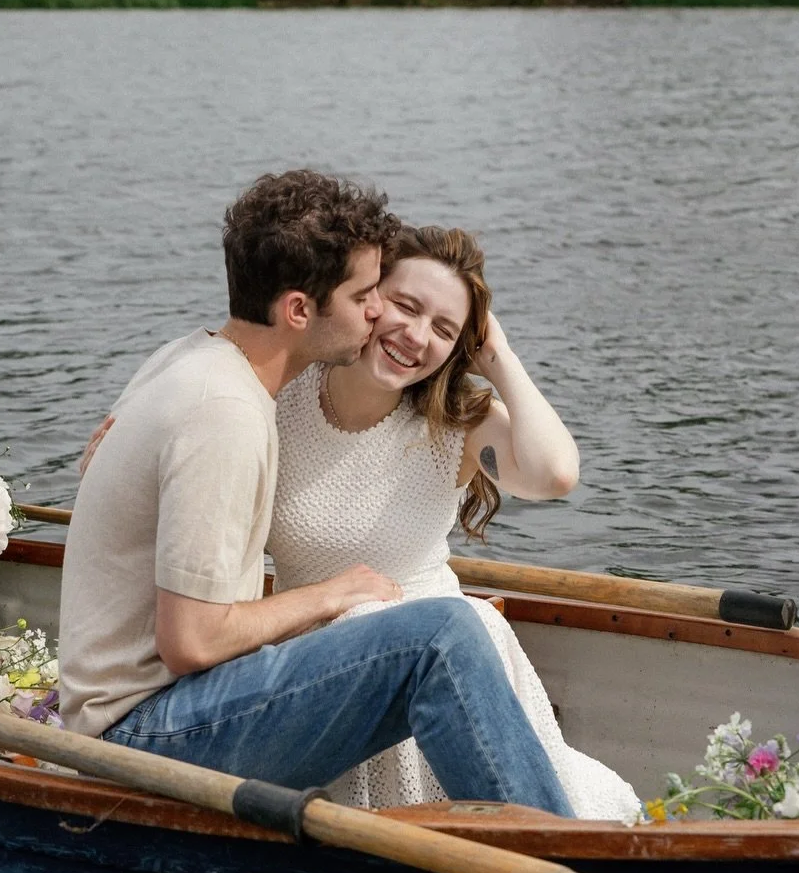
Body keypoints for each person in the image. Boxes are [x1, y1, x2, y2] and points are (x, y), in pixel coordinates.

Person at [58, 169, 574, 812]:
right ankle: (560, 862)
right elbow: (190, 642)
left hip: (157, 711)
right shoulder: (227, 411)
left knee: (437, 624)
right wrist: (332, 594)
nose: (379, 315)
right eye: (370, 297)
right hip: (144, 736)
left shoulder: (191, 360)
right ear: (301, 309)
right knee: (441, 635)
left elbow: (553, 473)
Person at [268, 224, 640, 820]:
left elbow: (554, 476)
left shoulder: (454, 423)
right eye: (406, 306)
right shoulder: (280, 392)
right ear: (366, 296)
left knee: (456, 625)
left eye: (444, 329)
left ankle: (528, 835)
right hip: (318, 661)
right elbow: (209, 363)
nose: (416, 337)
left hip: (444, 653)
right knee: (366, 623)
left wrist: (501, 359)